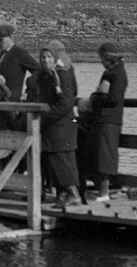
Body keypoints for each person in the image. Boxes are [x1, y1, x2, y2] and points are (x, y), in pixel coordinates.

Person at [30, 44, 81, 207]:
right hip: (54, 125)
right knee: (56, 159)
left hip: (61, 125)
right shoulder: (48, 75)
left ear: (55, 58)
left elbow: (66, 101)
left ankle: (73, 194)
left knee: (61, 159)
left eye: (49, 57)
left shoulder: (61, 75)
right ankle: (63, 195)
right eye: (42, 57)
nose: (45, 60)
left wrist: (46, 116)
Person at [79, 40, 128, 202]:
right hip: (101, 119)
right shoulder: (111, 72)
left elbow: (113, 98)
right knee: (97, 155)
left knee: (105, 157)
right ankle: (102, 191)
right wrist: (97, 95)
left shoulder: (118, 74)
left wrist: (95, 98)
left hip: (109, 120)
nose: (100, 61)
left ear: (108, 58)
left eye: (101, 58)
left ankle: (104, 193)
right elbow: (104, 94)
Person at [0, 24, 39, 103]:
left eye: (1, 40)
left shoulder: (20, 53)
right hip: (1, 97)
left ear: (11, 37)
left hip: (13, 98)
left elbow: (37, 69)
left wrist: (29, 87)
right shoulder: (2, 54)